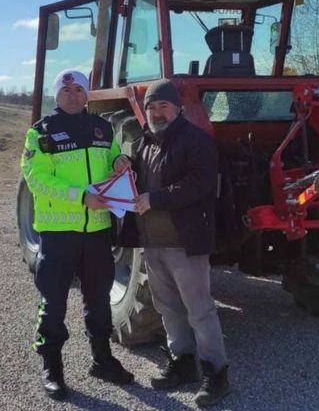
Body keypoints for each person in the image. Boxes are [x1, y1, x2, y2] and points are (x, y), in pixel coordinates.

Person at [114, 79, 229, 407]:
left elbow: (199, 184)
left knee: (200, 310)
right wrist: (121, 162)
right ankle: (182, 362)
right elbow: (135, 178)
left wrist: (155, 199)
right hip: (153, 243)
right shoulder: (146, 143)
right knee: (167, 307)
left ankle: (216, 373)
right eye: (151, 107)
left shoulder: (196, 140)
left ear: (178, 108)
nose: (156, 112)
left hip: (184, 243)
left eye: (163, 106)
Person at [20, 69, 134, 400]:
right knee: (53, 300)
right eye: (66, 90)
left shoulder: (103, 128)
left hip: (97, 230)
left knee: (98, 299)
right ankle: (52, 367)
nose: (73, 95)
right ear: (57, 94)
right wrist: (80, 196)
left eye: (79, 90)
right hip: (58, 232)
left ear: (87, 95)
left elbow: (111, 159)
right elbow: (36, 178)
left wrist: (119, 161)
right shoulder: (40, 132)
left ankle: (102, 360)